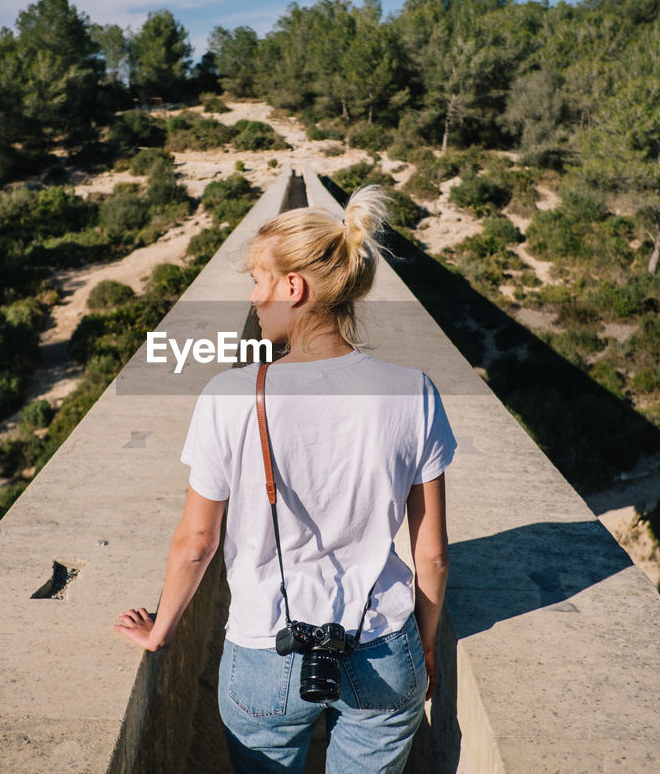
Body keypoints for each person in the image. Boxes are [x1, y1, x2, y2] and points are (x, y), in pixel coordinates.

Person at [114, 184, 455, 773]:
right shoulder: (413, 389)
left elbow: (198, 543)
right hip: (382, 646)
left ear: (292, 288)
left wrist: (160, 630)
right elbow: (432, 554)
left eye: (257, 280)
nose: (253, 298)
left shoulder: (229, 394)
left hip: (266, 651)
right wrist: (422, 644)